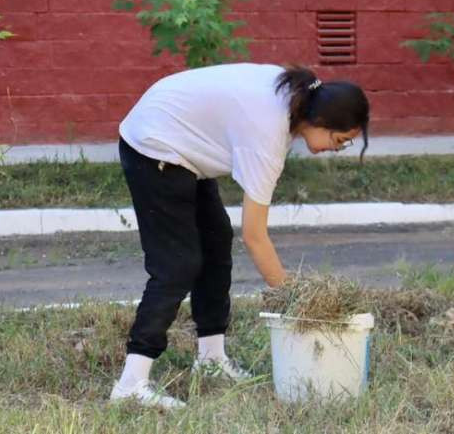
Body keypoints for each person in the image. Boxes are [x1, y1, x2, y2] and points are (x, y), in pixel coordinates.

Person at [108, 63, 370, 409]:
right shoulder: (268, 129)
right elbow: (255, 235)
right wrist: (298, 306)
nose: (337, 149)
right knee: (177, 266)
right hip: (154, 143)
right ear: (321, 121)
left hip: (183, 145)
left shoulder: (294, 101)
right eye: (340, 141)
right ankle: (131, 383)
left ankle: (211, 360)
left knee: (215, 244)